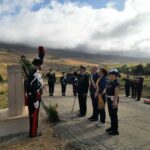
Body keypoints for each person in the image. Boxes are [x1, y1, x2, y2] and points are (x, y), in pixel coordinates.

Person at [27, 58, 44, 138]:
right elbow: (32, 88)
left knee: (35, 115)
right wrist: (34, 101)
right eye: (40, 65)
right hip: (34, 98)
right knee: (33, 115)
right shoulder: (34, 74)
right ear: (38, 65)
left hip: (36, 97)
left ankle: (34, 131)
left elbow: (38, 86)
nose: (41, 66)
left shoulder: (35, 73)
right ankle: (33, 133)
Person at [106, 69, 120, 136]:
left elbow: (116, 92)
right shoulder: (111, 82)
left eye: (110, 74)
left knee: (114, 115)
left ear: (114, 75)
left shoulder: (116, 82)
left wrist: (115, 101)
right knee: (111, 114)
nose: (109, 76)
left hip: (113, 100)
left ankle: (115, 130)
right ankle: (112, 127)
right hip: (109, 99)